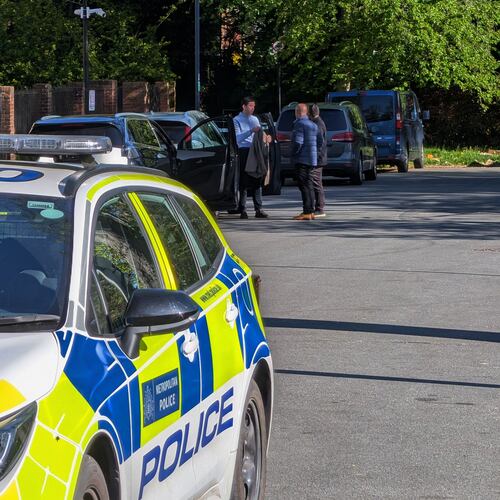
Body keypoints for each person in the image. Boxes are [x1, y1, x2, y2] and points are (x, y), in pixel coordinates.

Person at [232, 96, 269, 219]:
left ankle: (259, 209)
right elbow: (237, 139)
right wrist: (250, 131)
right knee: (244, 180)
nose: (253, 108)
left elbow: (260, 134)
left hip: (255, 151)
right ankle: (242, 209)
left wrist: (266, 137)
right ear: (244, 106)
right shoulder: (236, 120)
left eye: (254, 106)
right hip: (244, 151)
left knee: (257, 178)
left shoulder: (255, 119)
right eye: (250, 106)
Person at [291, 103, 323, 220]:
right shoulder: (313, 125)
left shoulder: (299, 124)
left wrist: (293, 152)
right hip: (312, 159)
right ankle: (311, 211)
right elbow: (320, 141)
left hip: (302, 159)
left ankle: (307, 211)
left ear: (298, 112)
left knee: (303, 185)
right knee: (309, 185)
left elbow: (298, 142)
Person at [309, 104, 327, 217]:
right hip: (319, 157)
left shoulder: (317, 124)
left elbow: (319, 142)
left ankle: (320, 208)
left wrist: (315, 157)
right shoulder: (318, 122)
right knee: (316, 182)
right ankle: (318, 206)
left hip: (318, 158)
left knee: (316, 183)